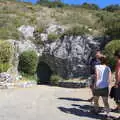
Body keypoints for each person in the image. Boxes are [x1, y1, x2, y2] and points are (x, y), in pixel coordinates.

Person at [113, 50, 120, 119]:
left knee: (118, 97)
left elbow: (118, 73)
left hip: (119, 81)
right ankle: (118, 108)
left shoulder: (118, 62)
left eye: (114, 56)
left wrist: (116, 83)